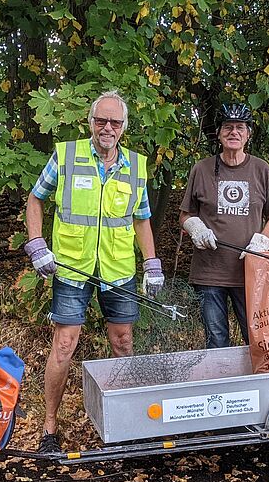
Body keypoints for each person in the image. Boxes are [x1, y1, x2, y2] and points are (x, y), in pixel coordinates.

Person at [24, 90, 164, 454]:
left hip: (117, 270)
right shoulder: (67, 156)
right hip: (71, 268)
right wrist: (37, 243)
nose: (107, 127)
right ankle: (50, 430)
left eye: (114, 122)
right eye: (101, 120)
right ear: (90, 122)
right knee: (64, 346)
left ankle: (128, 426)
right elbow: (35, 198)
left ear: (123, 127)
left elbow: (142, 218)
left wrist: (151, 262)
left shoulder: (135, 166)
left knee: (123, 344)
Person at [179, 103, 269, 348]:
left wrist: (262, 242)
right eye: (228, 127)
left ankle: (257, 386)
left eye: (240, 127)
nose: (233, 132)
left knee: (256, 340)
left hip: (249, 272)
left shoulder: (261, 169)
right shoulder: (202, 169)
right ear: (218, 133)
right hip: (210, 273)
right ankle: (221, 387)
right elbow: (185, 214)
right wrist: (196, 227)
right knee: (216, 341)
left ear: (248, 134)